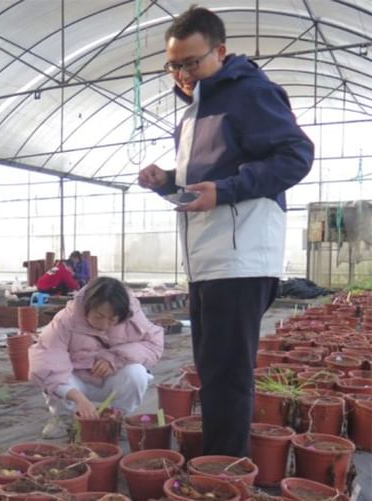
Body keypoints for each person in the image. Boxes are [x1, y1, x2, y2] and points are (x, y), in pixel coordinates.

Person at [137, 7, 313, 457]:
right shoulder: (195, 113)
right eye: (173, 65)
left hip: (240, 258)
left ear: (220, 51)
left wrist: (227, 190)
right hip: (209, 260)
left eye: (191, 62)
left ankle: (225, 469)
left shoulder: (249, 93)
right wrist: (167, 183)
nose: (182, 75)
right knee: (214, 369)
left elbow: (295, 156)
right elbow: (206, 184)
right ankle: (217, 463)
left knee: (227, 374)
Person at [29, 277, 164, 439]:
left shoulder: (132, 316)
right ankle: (64, 417)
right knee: (51, 373)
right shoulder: (65, 320)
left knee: (137, 373)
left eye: (113, 319)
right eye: (99, 316)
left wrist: (114, 359)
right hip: (76, 382)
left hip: (111, 380)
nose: (104, 325)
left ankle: (118, 418)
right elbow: (46, 360)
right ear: (87, 306)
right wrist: (78, 398)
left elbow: (153, 345)